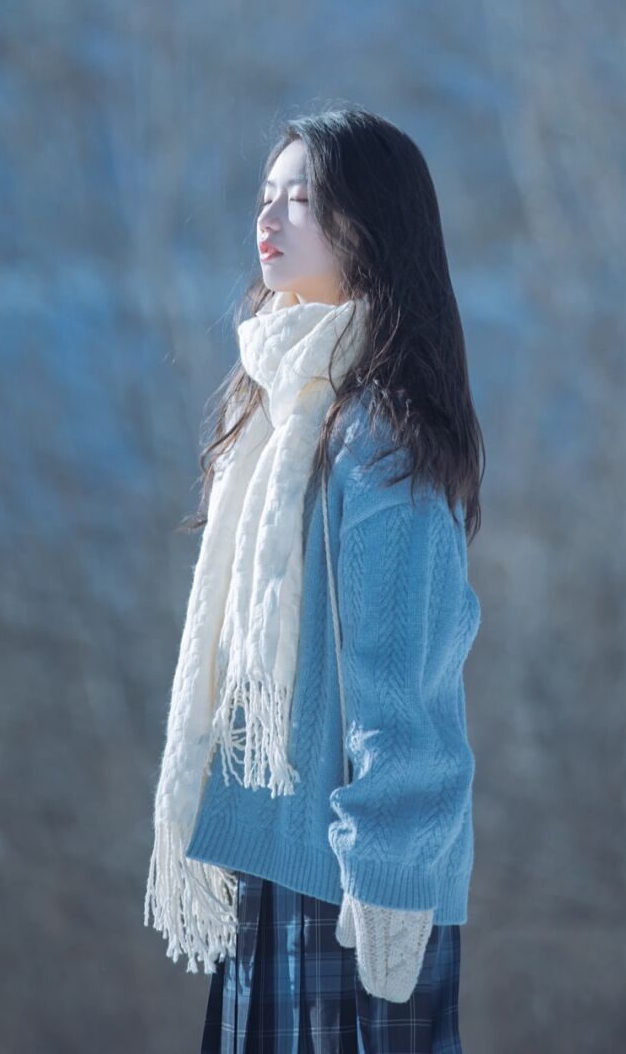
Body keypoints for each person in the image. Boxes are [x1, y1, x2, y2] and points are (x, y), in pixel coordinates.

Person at [143, 107, 484, 1053]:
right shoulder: (278, 408)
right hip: (271, 863)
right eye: (266, 196)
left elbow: (402, 684)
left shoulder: (377, 438)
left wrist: (389, 884)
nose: (271, 218)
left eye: (304, 199)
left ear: (370, 228)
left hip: (357, 887)